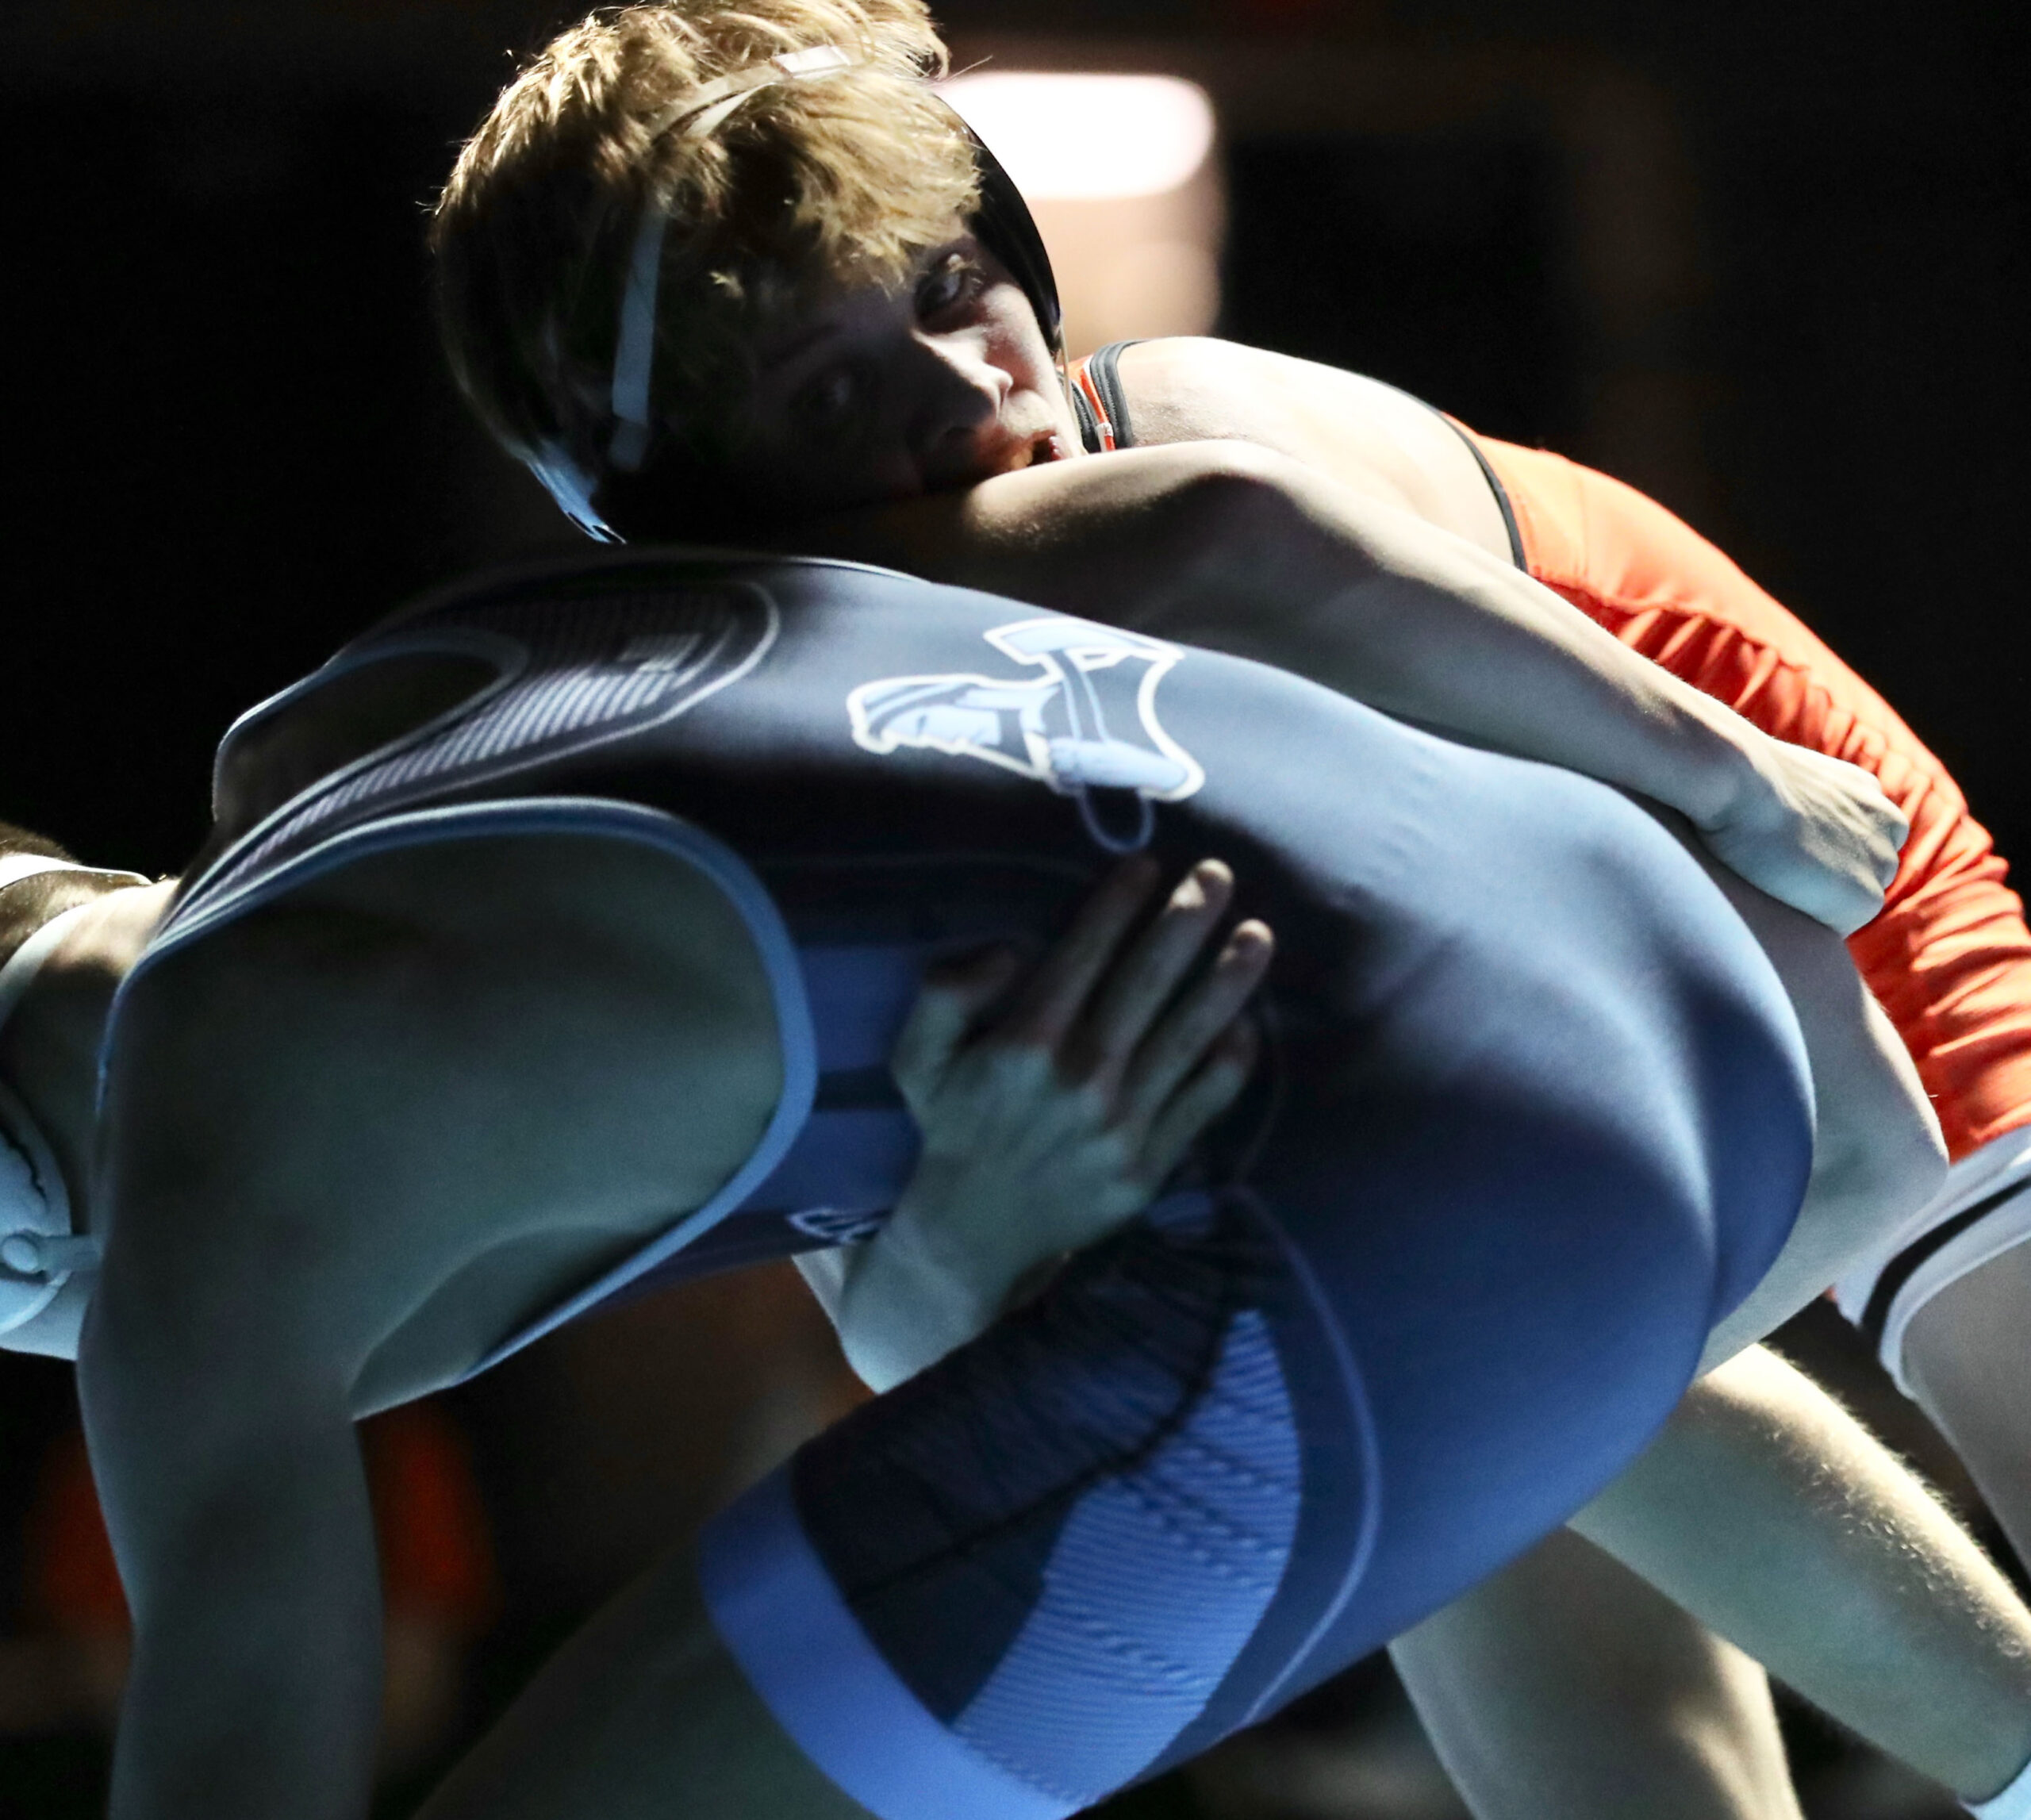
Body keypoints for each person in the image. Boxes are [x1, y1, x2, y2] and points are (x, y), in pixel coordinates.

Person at [424, 6, 2031, 1814]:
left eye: (951, 289)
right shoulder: (836, 763)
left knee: (1469, 1329)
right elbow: (934, 1344)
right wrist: (978, 1229)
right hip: (1500, 1113)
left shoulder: (1202, 461)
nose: (963, 396)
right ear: (693, 497)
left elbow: (1857, 1131)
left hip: (1809, 873)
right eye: (830, 395)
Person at [50, 534, 1933, 1820]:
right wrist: (1707, 774)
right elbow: (1211, 534)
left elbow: (237, 1766)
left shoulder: (202, 1147)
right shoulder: (371, 734)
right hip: (1642, 942)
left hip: (1395, 1217)